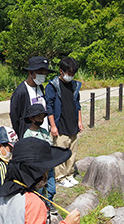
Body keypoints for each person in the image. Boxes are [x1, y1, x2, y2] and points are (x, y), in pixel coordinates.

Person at [45, 56, 83, 188]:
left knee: (72, 151)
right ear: (61, 71)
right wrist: (53, 126)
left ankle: (69, 174)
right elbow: (49, 108)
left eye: (73, 74)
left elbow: (78, 105)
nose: (71, 76)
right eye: (69, 73)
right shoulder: (52, 86)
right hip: (60, 124)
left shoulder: (74, 85)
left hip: (72, 123)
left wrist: (80, 121)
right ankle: (60, 177)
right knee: (60, 151)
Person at [10, 56, 55, 139]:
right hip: (29, 138)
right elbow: (15, 117)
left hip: (43, 134)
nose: (43, 76)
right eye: (40, 73)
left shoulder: (40, 88)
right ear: (30, 72)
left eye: (45, 74)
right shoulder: (21, 92)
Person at [23, 103, 56, 201]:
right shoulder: (28, 135)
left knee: (51, 188)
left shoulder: (44, 131)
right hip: (38, 169)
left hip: (49, 166)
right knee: (39, 190)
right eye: (38, 117)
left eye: (42, 118)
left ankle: (49, 203)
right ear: (31, 118)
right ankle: (41, 206)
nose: (40, 120)